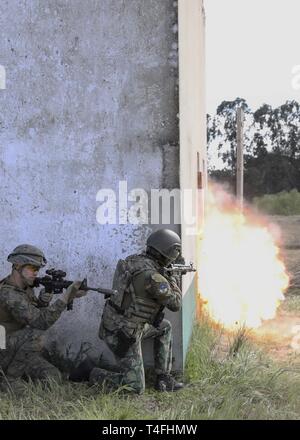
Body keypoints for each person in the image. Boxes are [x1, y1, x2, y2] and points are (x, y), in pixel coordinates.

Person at [89, 229, 185, 394]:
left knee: (165, 327)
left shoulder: (135, 261)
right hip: (123, 335)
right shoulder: (153, 277)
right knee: (134, 388)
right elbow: (175, 304)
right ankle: (92, 372)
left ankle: (163, 378)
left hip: (121, 325)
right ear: (166, 254)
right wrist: (173, 278)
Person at [0, 244, 86, 392]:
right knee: (36, 334)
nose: (36, 273)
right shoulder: (8, 293)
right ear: (17, 266)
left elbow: (32, 316)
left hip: (14, 349)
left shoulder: (26, 289)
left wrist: (42, 303)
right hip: (2, 348)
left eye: (37, 270)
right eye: (32, 269)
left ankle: (14, 374)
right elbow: (40, 323)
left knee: (53, 376)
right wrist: (66, 298)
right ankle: (10, 381)